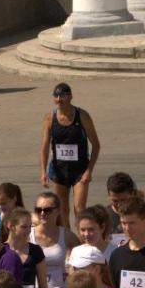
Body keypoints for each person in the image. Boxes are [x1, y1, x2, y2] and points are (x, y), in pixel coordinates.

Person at [39, 82, 100, 227]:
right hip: (59, 170)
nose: (59, 99)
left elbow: (96, 145)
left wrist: (88, 171)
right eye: (56, 96)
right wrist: (43, 171)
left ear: (70, 97)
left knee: (79, 209)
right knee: (61, 210)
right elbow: (45, 146)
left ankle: (81, 240)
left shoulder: (82, 116)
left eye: (63, 96)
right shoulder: (49, 118)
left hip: (80, 170)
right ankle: (68, 243)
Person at [32, 191, 75, 288]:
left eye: (47, 210)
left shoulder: (66, 234)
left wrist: (69, 269)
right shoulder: (28, 235)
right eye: (38, 209)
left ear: (58, 211)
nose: (42, 213)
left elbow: (81, 253)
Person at [3, 209, 51, 288]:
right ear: (11, 226)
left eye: (30, 226)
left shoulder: (36, 251)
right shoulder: (1, 251)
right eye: (24, 227)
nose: (29, 231)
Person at [105, 172, 145, 242]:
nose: (119, 204)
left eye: (123, 200)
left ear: (132, 194)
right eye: (115, 201)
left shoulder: (144, 214)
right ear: (108, 196)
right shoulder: (103, 216)